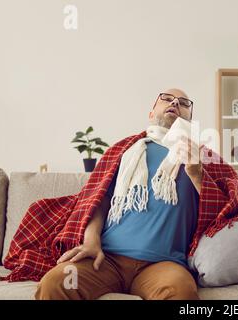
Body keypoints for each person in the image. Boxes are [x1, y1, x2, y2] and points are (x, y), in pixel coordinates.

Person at [35, 88, 205, 300]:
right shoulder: (125, 150)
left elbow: (222, 211)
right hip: (106, 260)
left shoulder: (202, 157)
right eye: (167, 99)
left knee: (181, 292)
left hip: (163, 265)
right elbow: (98, 198)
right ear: (151, 113)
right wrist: (91, 241)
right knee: (56, 282)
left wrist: (197, 175)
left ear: (190, 118)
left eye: (184, 103)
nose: (175, 103)